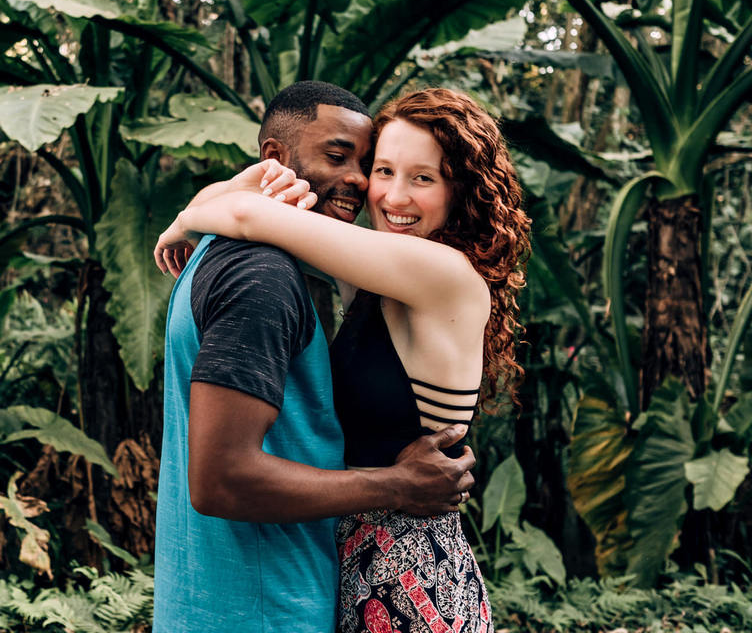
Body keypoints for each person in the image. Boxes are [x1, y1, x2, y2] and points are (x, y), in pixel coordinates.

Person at [155, 87, 531, 633]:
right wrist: (250, 186)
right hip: (358, 562)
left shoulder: (442, 274)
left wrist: (183, 222)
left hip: (412, 577)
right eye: (383, 170)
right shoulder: (377, 270)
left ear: (459, 191)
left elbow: (243, 211)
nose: (392, 197)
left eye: (422, 178)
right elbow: (248, 199)